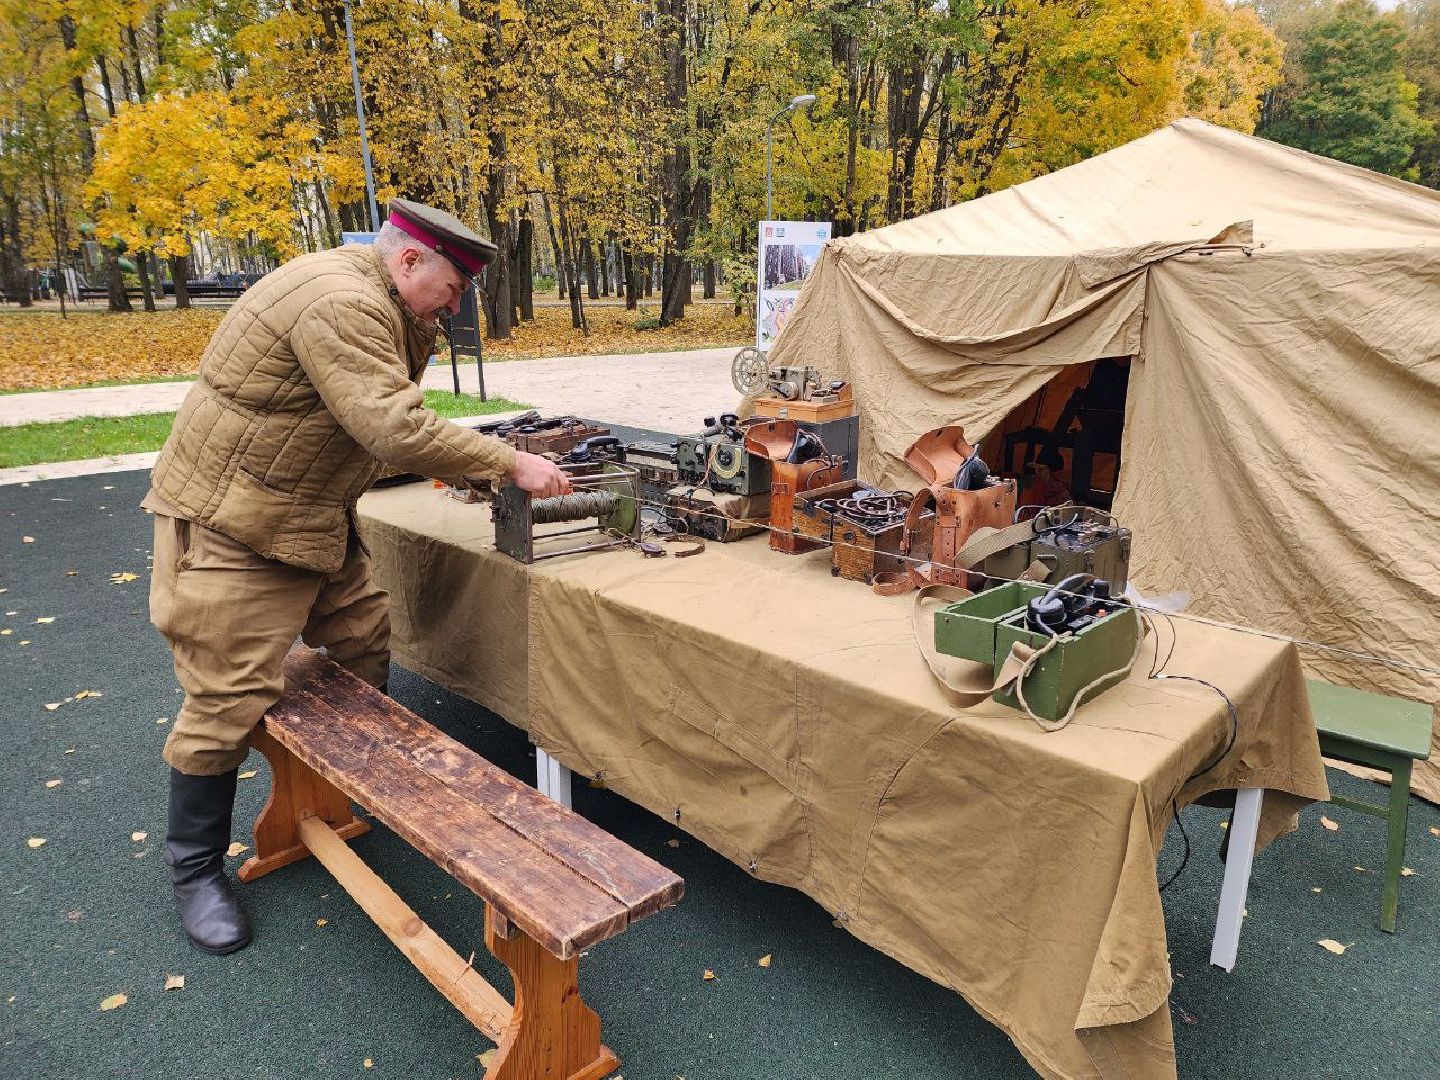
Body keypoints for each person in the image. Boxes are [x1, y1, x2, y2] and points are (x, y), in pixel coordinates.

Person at [142, 198, 570, 955]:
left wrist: (465, 464)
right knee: (226, 696)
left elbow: (369, 418)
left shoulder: (387, 300)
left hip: (309, 512)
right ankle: (195, 871)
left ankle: (333, 789)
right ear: (407, 260)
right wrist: (509, 464)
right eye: (452, 287)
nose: (456, 305)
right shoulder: (342, 301)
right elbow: (391, 425)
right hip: (235, 525)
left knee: (364, 635)